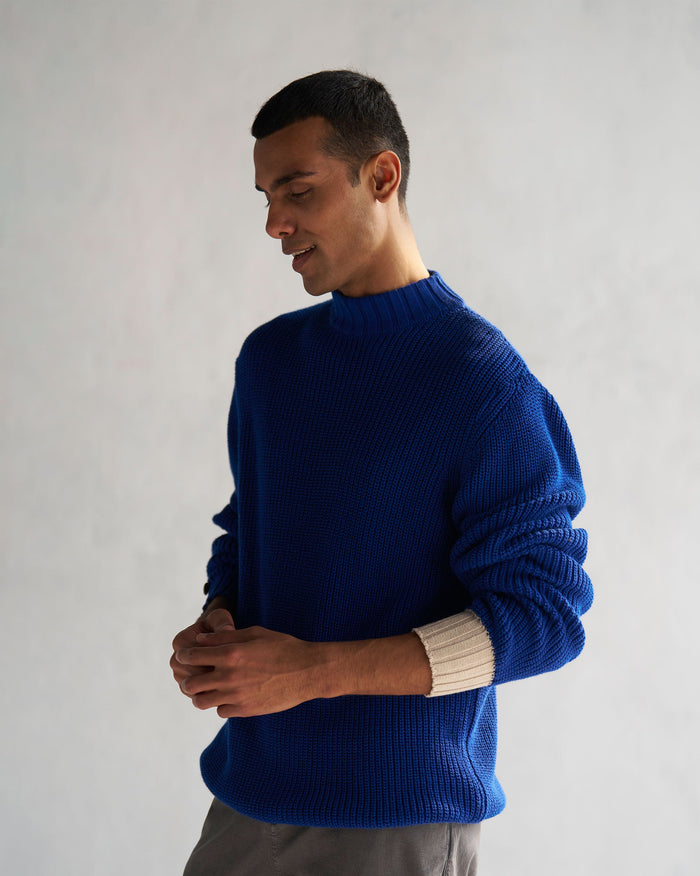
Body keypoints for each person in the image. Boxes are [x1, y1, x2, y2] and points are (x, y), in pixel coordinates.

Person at [170, 70, 593, 876]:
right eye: (266, 197)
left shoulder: (480, 381)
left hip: (396, 822)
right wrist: (219, 620)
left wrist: (315, 673)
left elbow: (545, 615)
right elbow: (249, 531)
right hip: (246, 803)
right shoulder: (270, 362)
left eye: (298, 191)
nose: (274, 223)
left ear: (382, 176)